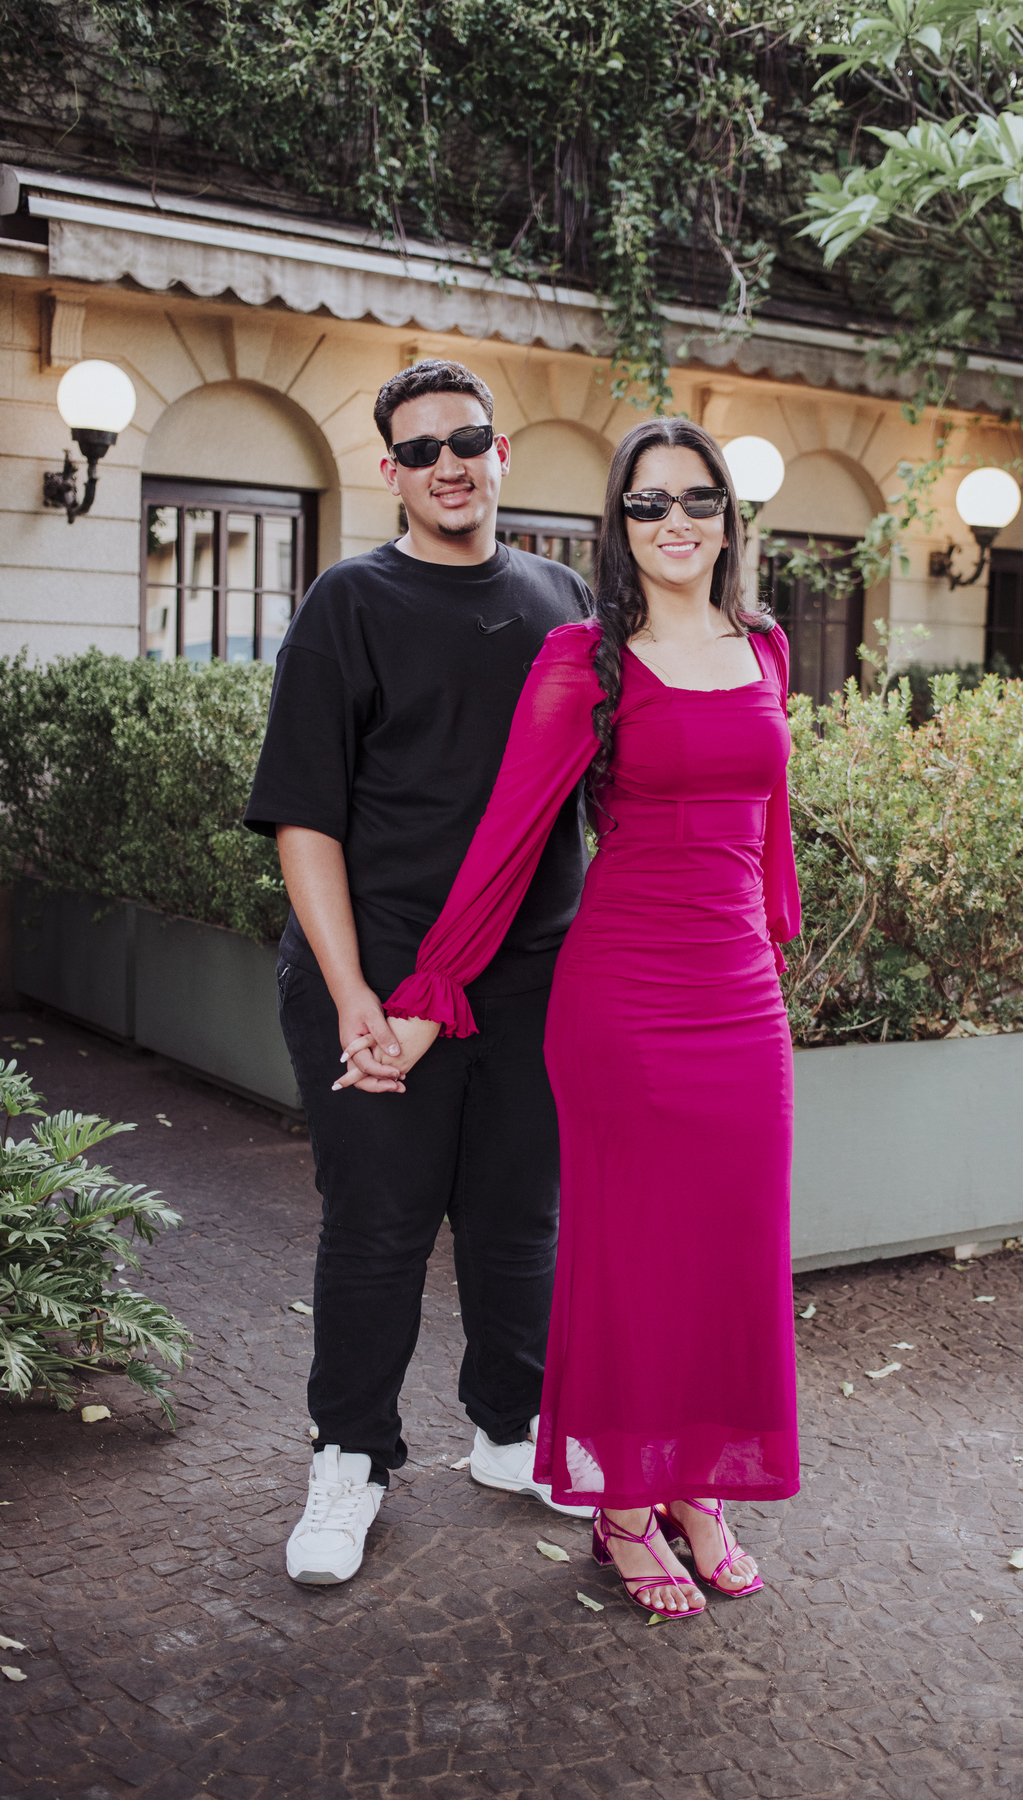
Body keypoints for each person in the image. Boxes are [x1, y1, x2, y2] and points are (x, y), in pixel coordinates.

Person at [365, 417, 802, 1617]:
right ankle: (622, 1502)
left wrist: (773, 933)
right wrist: (428, 995)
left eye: (698, 499)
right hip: (625, 997)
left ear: (729, 519)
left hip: (740, 996)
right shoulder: (586, 660)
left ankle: (697, 1487)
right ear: (620, 526)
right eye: (649, 504)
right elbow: (508, 839)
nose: (676, 523)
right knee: (633, 1257)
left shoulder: (764, 644)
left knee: (731, 1248)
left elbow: (767, 817)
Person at [245, 358, 595, 1589]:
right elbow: (305, 817)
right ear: (391, 472)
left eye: (469, 440)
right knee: (381, 1224)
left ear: (502, 455)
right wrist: (351, 994)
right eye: (421, 448)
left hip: (533, 975)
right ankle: (351, 1456)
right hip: (384, 972)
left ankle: (512, 1431)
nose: (450, 463)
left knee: (519, 1218)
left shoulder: (563, 597)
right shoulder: (351, 600)